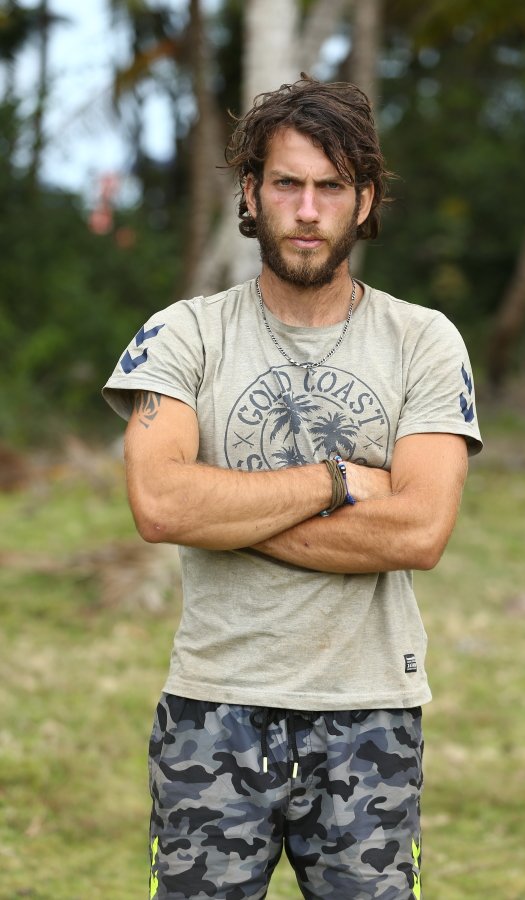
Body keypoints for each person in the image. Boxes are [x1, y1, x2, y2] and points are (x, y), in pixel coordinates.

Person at [103, 73, 482, 900]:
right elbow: (160, 506)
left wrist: (227, 512)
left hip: (371, 713)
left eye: (331, 187)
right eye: (286, 184)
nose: (307, 210)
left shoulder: (423, 341)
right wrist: (338, 480)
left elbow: (419, 532)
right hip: (212, 708)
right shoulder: (184, 335)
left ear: (364, 199)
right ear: (251, 192)